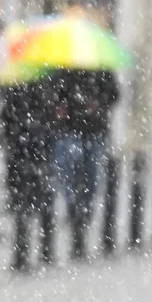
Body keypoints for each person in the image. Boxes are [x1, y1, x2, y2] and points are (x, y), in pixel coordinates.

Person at [51, 68, 119, 260]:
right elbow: (54, 95)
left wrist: (99, 102)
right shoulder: (63, 68)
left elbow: (114, 94)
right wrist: (62, 107)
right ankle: (75, 216)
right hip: (70, 130)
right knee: (70, 176)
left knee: (90, 179)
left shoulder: (101, 69)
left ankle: (83, 217)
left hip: (93, 130)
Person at [0, 78, 57, 271]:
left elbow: (7, 118)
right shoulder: (18, 84)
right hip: (25, 151)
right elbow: (7, 117)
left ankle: (37, 250)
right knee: (27, 202)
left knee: (36, 201)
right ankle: (30, 251)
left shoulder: (43, 83)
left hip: (34, 150)